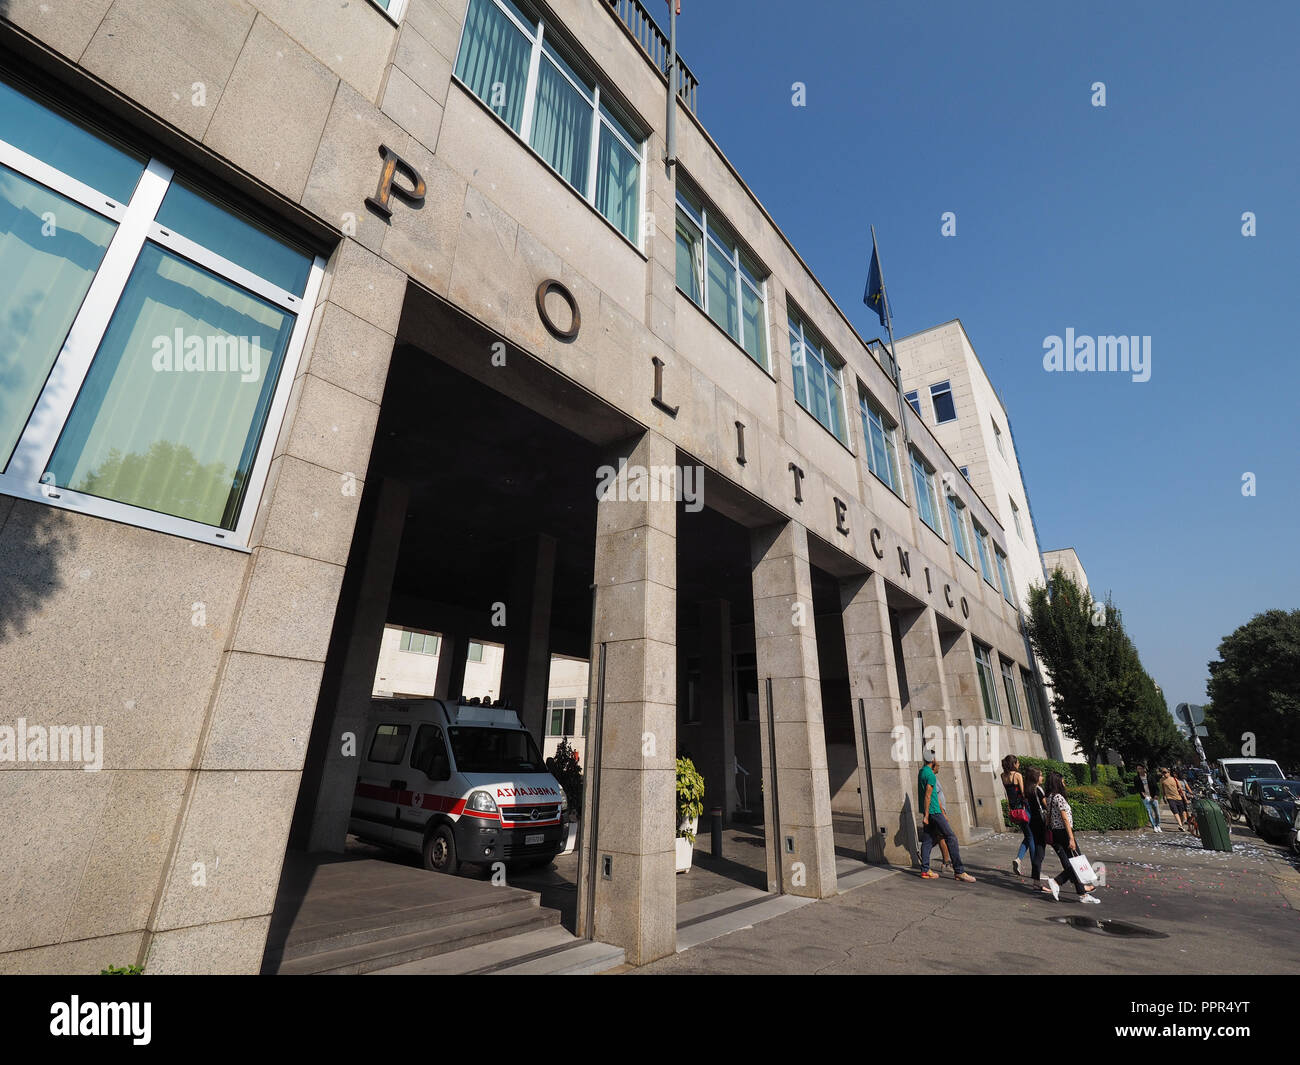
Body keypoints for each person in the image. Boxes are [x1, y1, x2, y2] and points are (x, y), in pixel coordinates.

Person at [917, 748, 976, 883]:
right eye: (936, 759)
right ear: (932, 760)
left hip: (932, 811)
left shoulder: (922, 772)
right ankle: (959, 871)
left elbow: (932, 795)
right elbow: (927, 795)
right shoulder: (931, 775)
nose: (938, 761)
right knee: (951, 838)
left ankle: (925, 870)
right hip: (933, 812)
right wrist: (927, 815)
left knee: (927, 840)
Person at [1043, 771, 1100, 904]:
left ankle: (1082, 894)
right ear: (1058, 782)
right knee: (1077, 862)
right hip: (1064, 832)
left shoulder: (1050, 797)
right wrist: (1071, 838)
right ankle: (1057, 881)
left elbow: (1048, 817)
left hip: (1055, 833)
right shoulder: (1059, 797)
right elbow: (1065, 818)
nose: (1064, 783)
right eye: (1062, 781)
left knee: (1072, 863)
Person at [1001, 754, 1034, 876]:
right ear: (1014, 764)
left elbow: (1008, 794)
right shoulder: (1017, 775)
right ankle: (1036, 867)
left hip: (1015, 811)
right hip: (1024, 809)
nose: (1019, 764)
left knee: (1028, 835)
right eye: (1017, 763)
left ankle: (1019, 859)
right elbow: (1024, 793)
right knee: (1031, 837)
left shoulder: (1003, 776)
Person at [1023, 765, 1048, 889]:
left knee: (1038, 847)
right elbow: (1046, 805)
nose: (1042, 777)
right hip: (1042, 821)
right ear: (1036, 777)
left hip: (1033, 821)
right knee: (1040, 850)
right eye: (1041, 775)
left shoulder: (1028, 789)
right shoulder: (1038, 789)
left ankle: (1036, 881)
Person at [1133, 764, 1162, 831]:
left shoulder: (1150, 777)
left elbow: (1156, 787)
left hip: (1153, 796)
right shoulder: (1136, 778)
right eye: (1138, 769)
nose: (1139, 770)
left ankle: (1158, 825)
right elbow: (1137, 788)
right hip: (1145, 798)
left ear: (1144, 769)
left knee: (1157, 812)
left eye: (1140, 768)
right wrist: (1142, 794)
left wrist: (1156, 795)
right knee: (1149, 812)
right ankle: (1154, 826)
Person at [1159, 767, 1187, 832]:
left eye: (1165, 772)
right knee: (1175, 811)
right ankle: (1180, 825)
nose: (1164, 774)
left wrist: (1185, 798)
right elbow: (1162, 789)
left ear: (1169, 772)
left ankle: (1181, 825)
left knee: (1182, 813)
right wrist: (1164, 797)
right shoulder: (1162, 780)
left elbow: (1180, 789)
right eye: (1162, 773)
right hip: (1170, 798)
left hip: (1178, 797)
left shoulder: (1174, 779)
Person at [1174, 769, 1200, 838]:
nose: (1174, 775)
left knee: (1185, 810)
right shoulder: (1179, 780)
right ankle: (1186, 823)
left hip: (1182, 796)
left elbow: (1187, 788)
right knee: (1186, 809)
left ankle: (1185, 823)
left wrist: (1190, 793)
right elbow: (1187, 788)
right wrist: (1191, 793)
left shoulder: (1178, 780)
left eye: (1175, 773)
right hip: (1182, 796)